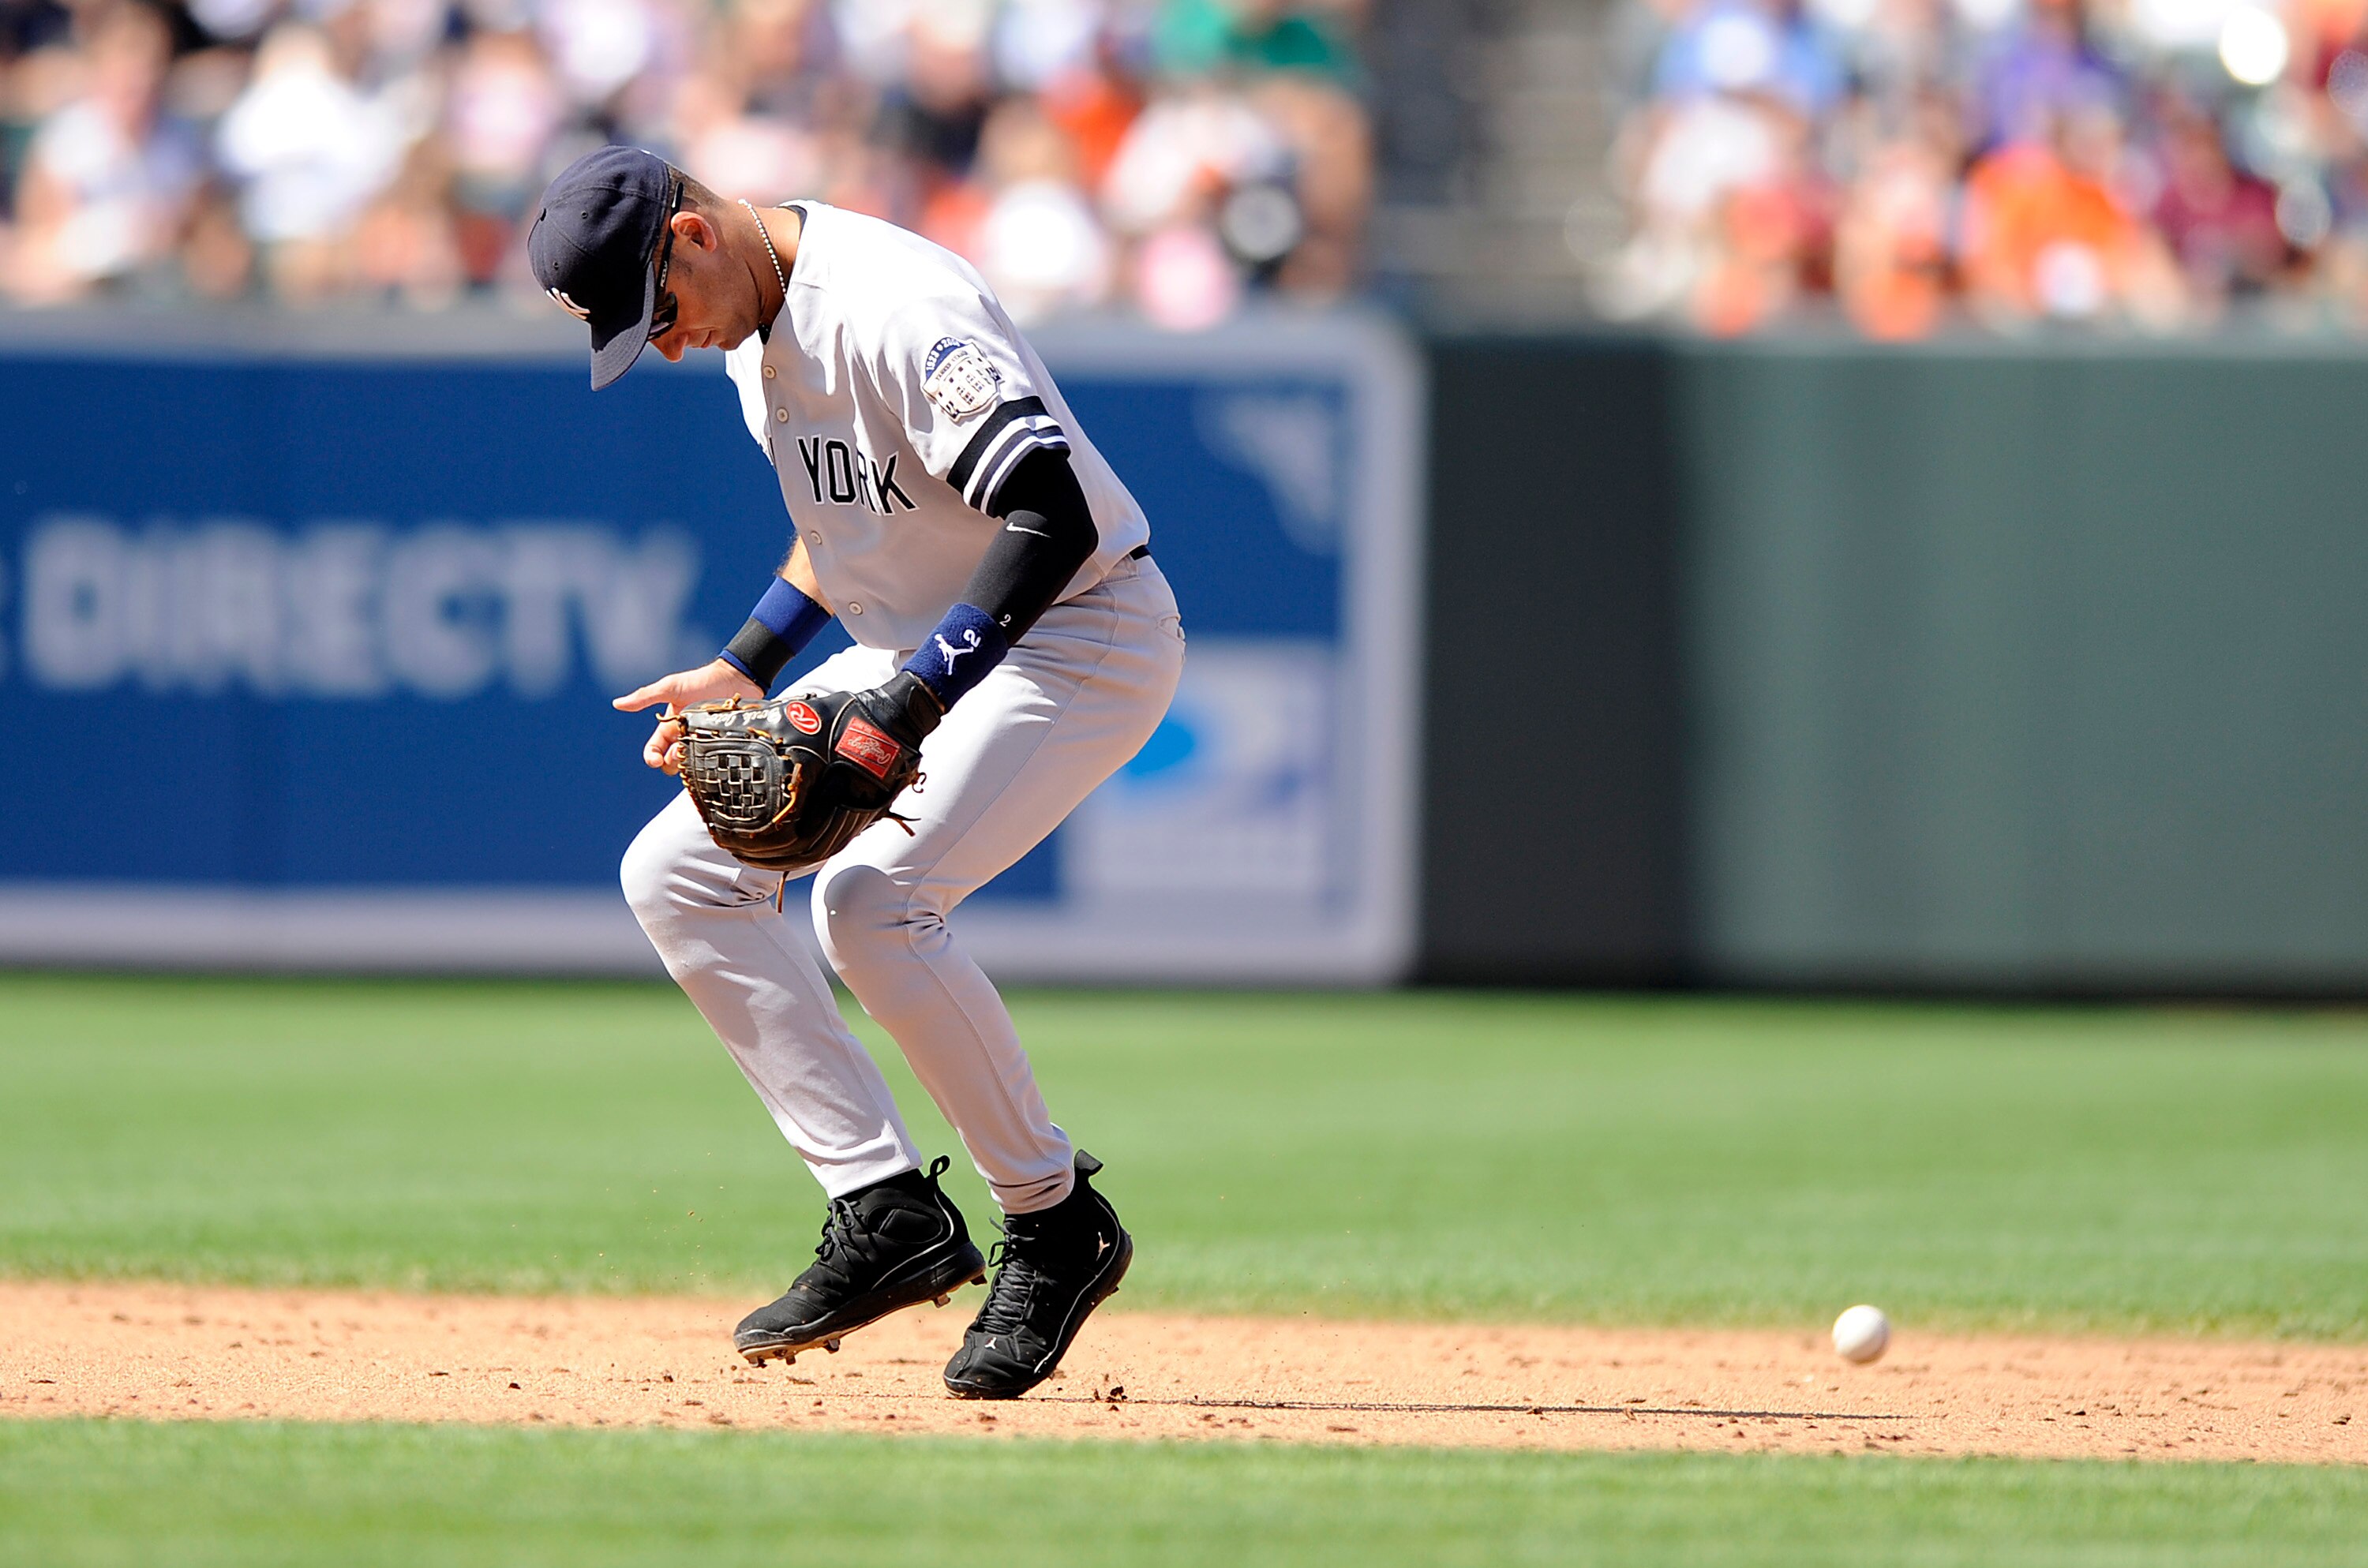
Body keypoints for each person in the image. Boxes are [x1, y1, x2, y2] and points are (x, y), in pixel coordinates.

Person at [527, 144, 1184, 1398]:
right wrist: (746, 663)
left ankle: (1053, 1224)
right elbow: (855, 528)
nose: (663, 346)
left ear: (693, 236)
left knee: (874, 905)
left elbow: (1054, 514)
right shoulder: (752, 331)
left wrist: (910, 700)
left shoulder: (894, 303)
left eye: (654, 315)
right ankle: (886, 1214)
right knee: (671, 872)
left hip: (1079, 633)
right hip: (919, 641)